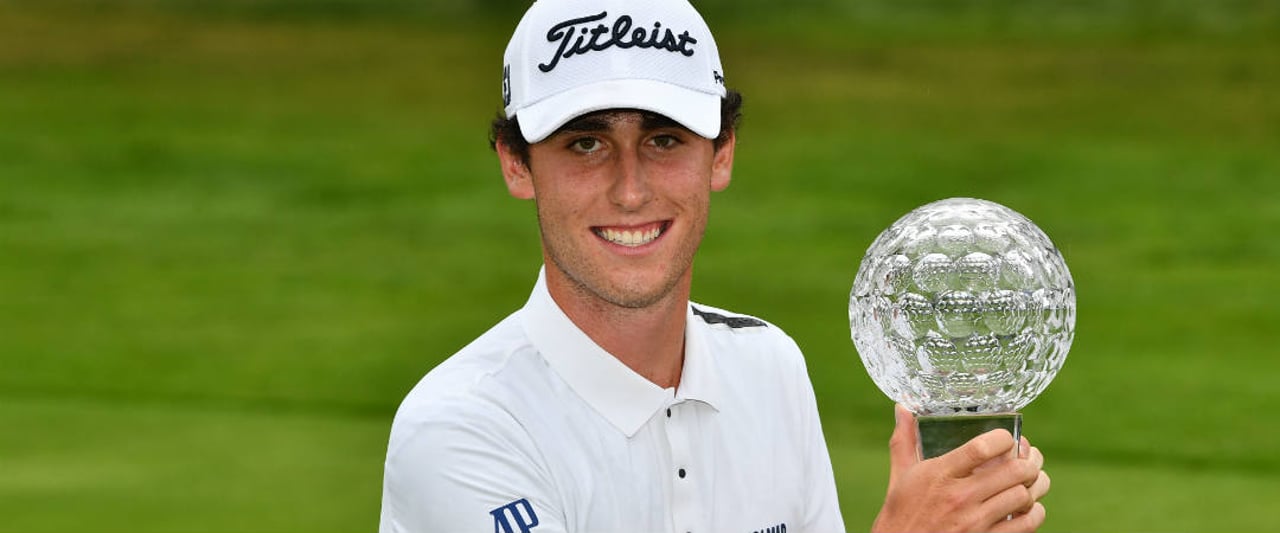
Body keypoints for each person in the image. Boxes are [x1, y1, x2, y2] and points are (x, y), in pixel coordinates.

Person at [379, 0, 1050, 532]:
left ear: (722, 153)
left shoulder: (770, 369)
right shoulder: (459, 428)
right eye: (585, 143)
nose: (631, 188)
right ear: (515, 163)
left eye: (664, 139)